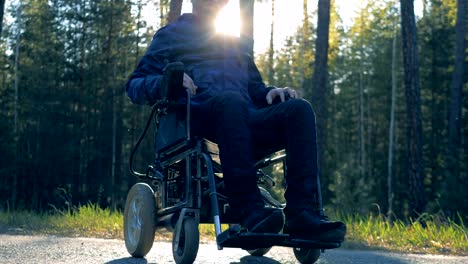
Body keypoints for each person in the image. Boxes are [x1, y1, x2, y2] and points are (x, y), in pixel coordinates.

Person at [126, 0, 346, 241]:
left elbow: (254, 88)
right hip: (197, 121)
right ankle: (248, 210)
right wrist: (167, 82)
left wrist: (269, 93)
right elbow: (135, 85)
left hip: (244, 119)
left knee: (299, 110)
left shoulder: (234, 43)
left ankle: (302, 214)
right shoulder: (171, 35)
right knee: (231, 102)